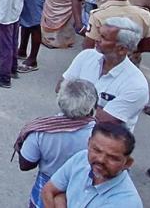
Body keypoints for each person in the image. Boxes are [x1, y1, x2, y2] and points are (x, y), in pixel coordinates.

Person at [16, 79, 98, 208]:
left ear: (60, 100)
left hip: (45, 188)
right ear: (92, 106)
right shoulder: (98, 135)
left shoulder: (42, 129)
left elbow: (25, 164)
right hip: (80, 191)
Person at [59, 16, 150, 130]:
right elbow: (60, 88)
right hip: (69, 127)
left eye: (103, 37)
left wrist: (74, 100)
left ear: (121, 49)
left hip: (103, 141)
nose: (97, 39)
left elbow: (106, 119)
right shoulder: (86, 56)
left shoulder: (137, 85)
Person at [40, 122, 141, 206]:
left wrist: (60, 200)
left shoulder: (126, 203)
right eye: (96, 150)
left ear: (127, 163)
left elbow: (56, 195)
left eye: (112, 157)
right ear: (89, 143)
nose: (101, 160)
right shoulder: (81, 158)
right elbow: (48, 191)